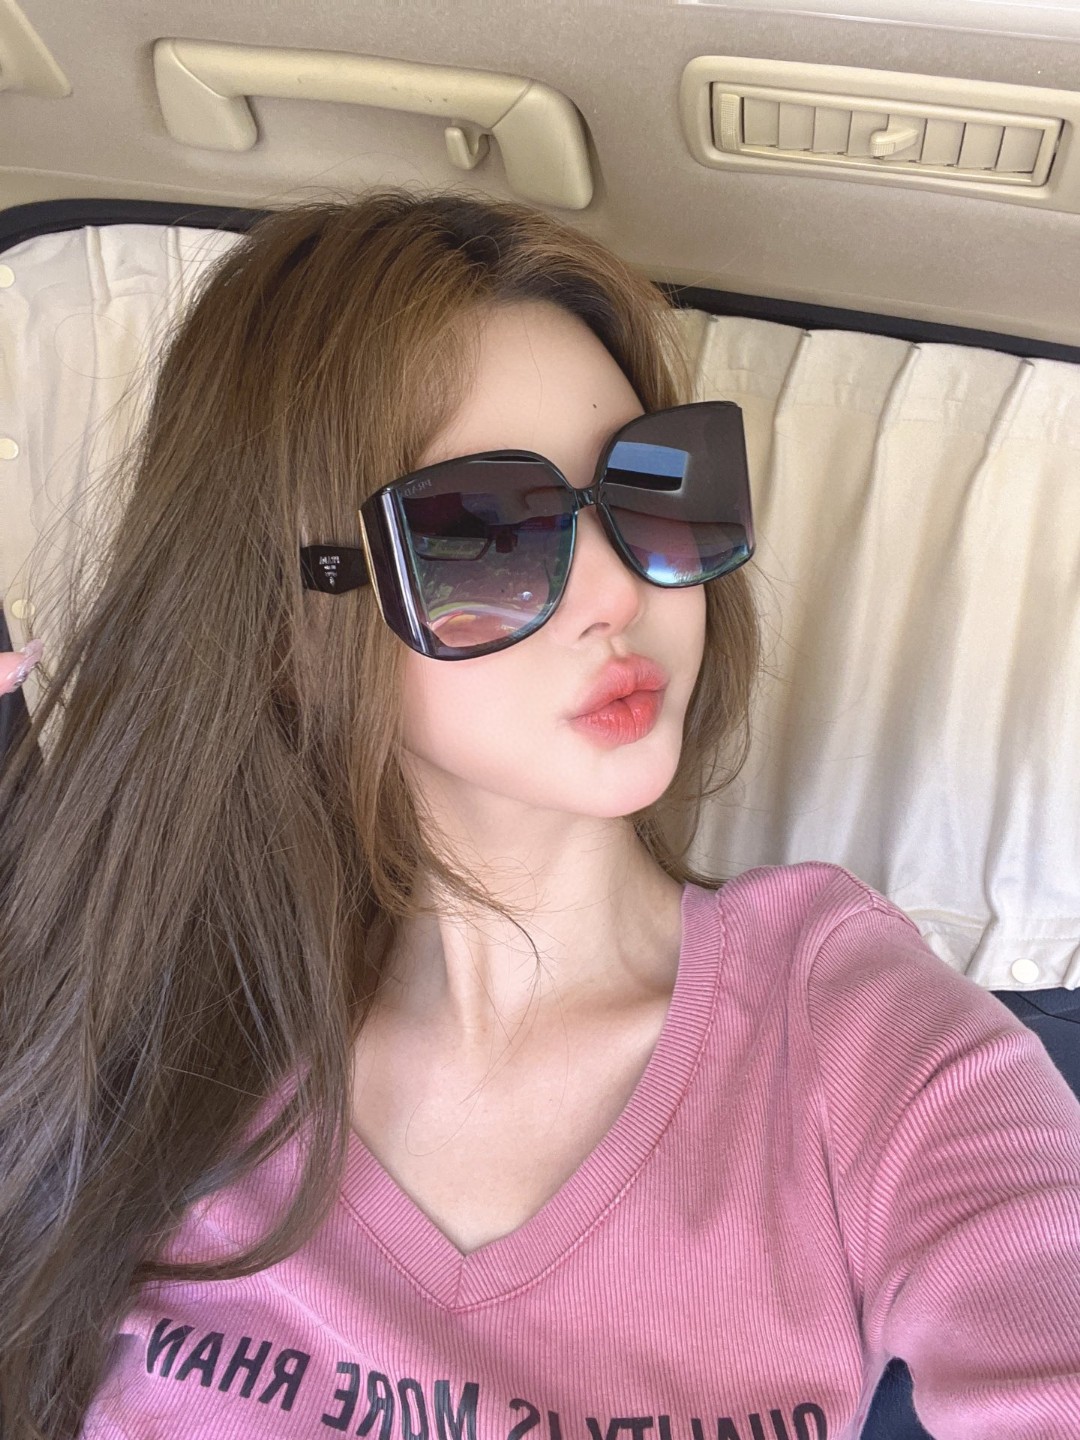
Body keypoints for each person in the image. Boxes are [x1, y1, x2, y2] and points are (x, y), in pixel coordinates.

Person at [0, 189, 1078, 1440]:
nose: (619, 589)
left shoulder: (854, 1035)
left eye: (652, 489)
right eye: (483, 535)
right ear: (287, 628)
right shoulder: (140, 1020)